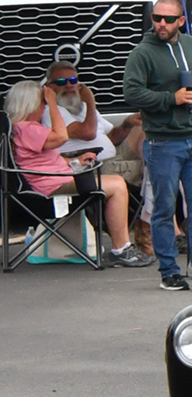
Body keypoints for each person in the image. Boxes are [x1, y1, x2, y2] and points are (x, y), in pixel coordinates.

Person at [123, 0, 192, 290]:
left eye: (168, 19)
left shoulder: (191, 45)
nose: (161, 24)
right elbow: (132, 93)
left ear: (182, 20)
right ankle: (169, 271)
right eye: (156, 18)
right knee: (164, 208)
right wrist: (172, 99)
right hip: (162, 142)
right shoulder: (142, 53)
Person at [5, 79, 148, 266]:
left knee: (114, 182)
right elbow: (62, 136)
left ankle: (121, 247)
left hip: (54, 179)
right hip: (52, 188)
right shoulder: (28, 128)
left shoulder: (21, 129)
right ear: (31, 105)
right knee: (117, 185)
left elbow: (43, 161)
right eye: (43, 103)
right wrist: (54, 104)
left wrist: (75, 162)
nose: (44, 107)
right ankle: (121, 249)